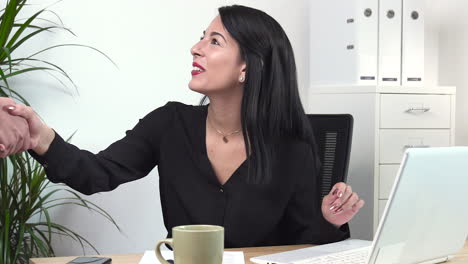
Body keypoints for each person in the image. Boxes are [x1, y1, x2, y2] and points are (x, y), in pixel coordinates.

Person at [0, 5, 364, 247]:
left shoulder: (292, 148)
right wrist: (40, 137)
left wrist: (328, 220)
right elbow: (98, 174)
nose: (196, 47)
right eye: (201, 36)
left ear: (247, 68)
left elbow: (304, 244)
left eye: (214, 41)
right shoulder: (170, 123)